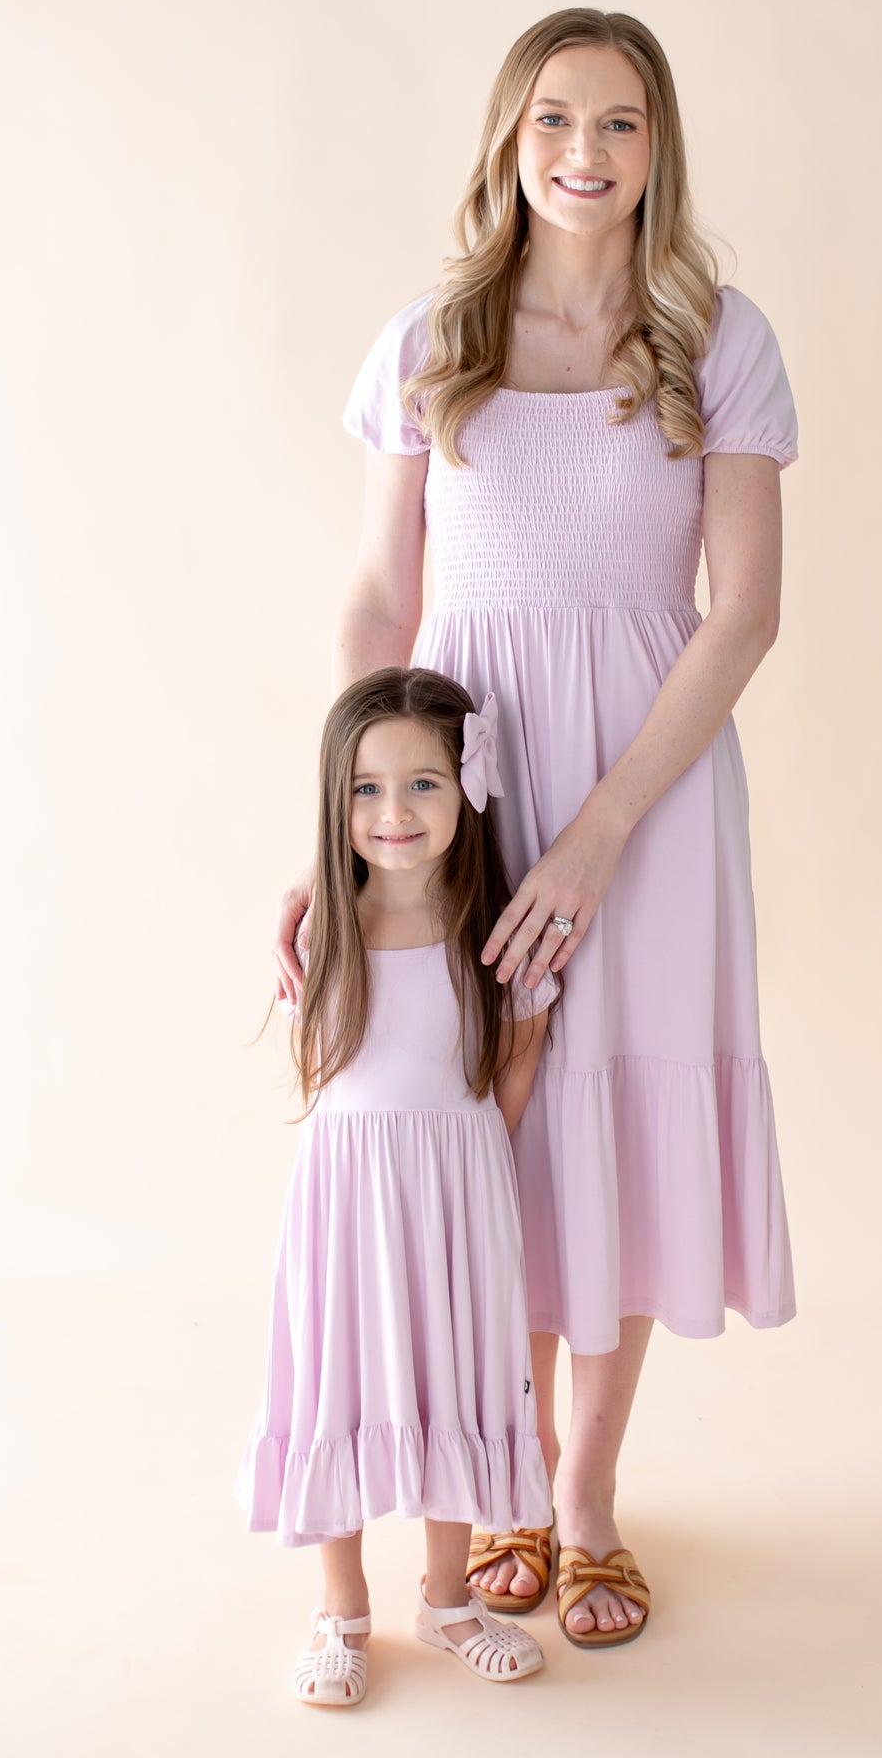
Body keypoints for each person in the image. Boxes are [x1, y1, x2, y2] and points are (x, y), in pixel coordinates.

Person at [273, 7, 798, 1650]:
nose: (587, 152)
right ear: (509, 140)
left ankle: (581, 1504)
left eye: (622, 123)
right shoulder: (431, 341)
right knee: (476, 1129)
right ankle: (494, 1482)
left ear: (661, 146)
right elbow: (382, 596)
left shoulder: (721, 338)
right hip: (462, 785)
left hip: (649, 789)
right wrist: (353, 835)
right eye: (556, 119)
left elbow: (743, 615)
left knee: (617, 1133)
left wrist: (599, 834)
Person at [238, 667, 562, 1706]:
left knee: (451, 1386)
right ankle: (342, 1612)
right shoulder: (320, 935)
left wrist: (468, 1175)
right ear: (337, 804)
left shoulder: (496, 933)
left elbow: (515, 1063)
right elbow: (330, 1073)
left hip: (459, 1202)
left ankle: (447, 1598)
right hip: (346, 1209)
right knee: (343, 1386)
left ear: (469, 787)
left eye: (423, 782)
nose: (395, 812)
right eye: (368, 789)